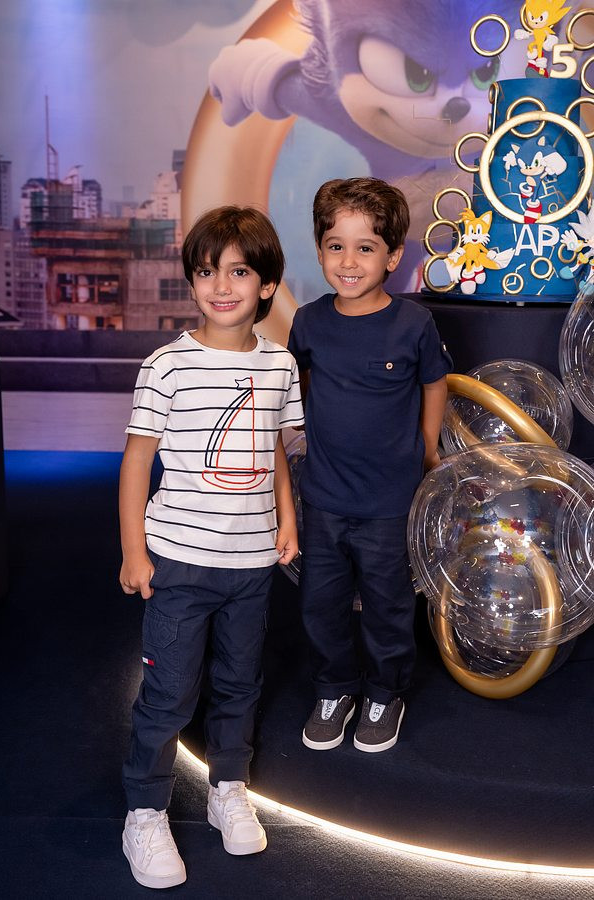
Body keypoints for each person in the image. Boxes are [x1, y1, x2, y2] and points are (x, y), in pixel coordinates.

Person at [119, 206, 304, 889]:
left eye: (239, 271)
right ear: (192, 281)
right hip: (179, 560)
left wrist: (287, 519)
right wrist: (134, 550)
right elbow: (137, 461)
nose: (221, 286)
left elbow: (275, 448)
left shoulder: (280, 364)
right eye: (206, 272)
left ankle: (228, 786)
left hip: (251, 565)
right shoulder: (167, 366)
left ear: (266, 284)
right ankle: (144, 811)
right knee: (168, 693)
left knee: (238, 683)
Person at [287, 177, 452, 754]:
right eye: (336, 246)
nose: (349, 262)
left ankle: (385, 692)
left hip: (389, 502)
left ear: (393, 256)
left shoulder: (414, 324)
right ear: (319, 250)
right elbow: (301, 385)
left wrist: (427, 446)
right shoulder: (308, 322)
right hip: (324, 498)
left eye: (366, 248)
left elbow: (435, 383)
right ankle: (334, 688)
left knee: (387, 606)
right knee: (321, 604)